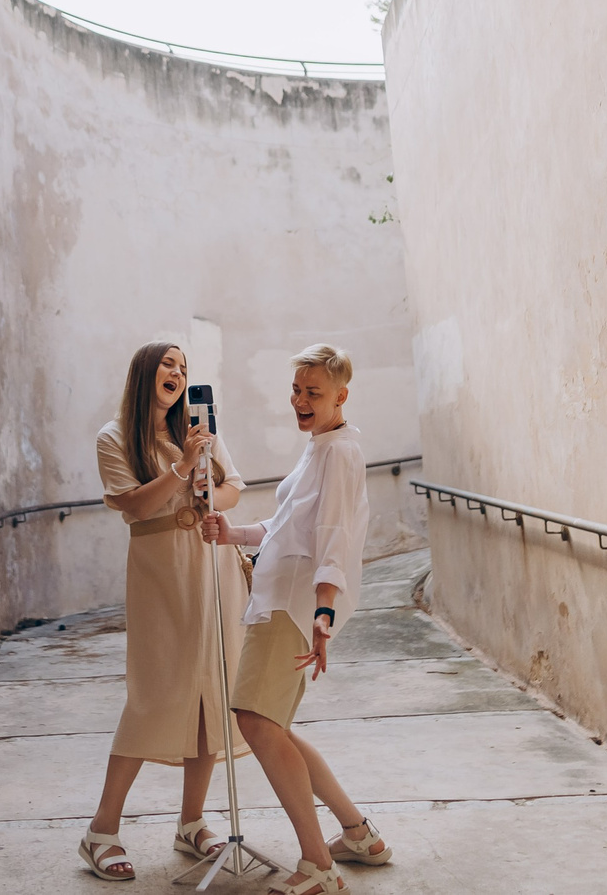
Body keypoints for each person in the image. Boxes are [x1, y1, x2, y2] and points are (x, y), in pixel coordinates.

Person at [200, 344, 393, 895]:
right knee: (271, 724)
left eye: (313, 392)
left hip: (294, 605)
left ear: (341, 396)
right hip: (278, 598)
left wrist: (325, 611)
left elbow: (333, 536)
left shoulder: (340, 454)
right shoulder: (320, 448)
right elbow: (287, 525)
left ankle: (317, 866)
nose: (300, 400)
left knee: (257, 723)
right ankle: (358, 835)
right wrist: (230, 533)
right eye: (297, 390)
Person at [80, 342, 250, 881]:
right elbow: (133, 505)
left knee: (209, 694)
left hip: (212, 564)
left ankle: (191, 822)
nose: (177, 373)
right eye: (168, 365)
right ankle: (100, 831)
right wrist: (182, 469)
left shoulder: (199, 430)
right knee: (152, 695)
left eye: (183, 366)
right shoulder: (115, 437)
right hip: (160, 574)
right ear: (145, 374)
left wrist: (208, 495)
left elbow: (234, 488)